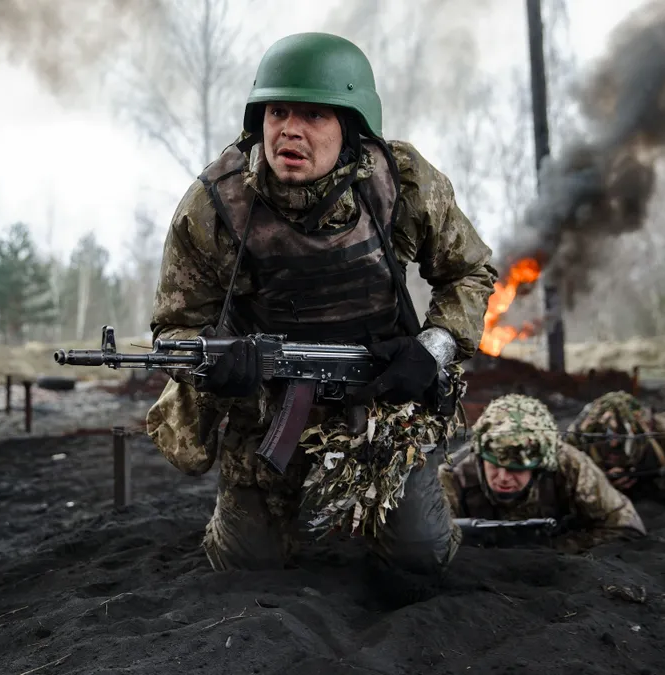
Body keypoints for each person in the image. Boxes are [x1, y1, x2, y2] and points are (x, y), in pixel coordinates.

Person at [145, 32, 497, 573]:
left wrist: (432, 348)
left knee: (418, 559)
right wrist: (218, 367)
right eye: (278, 111)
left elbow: (469, 271)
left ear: (351, 127)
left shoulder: (401, 183)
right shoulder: (216, 204)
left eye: (314, 115)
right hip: (269, 406)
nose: (290, 129)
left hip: (383, 400)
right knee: (245, 566)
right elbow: (175, 328)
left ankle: (407, 513)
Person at [438, 394, 646, 551]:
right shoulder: (453, 474)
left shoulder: (569, 465)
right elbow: (428, 544)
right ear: (480, 457)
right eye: (494, 466)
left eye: (515, 470)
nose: (502, 478)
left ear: (540, 467)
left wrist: (558, 548)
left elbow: (626, 526)